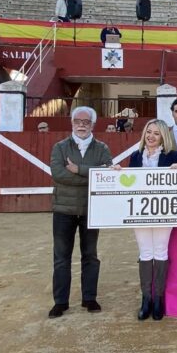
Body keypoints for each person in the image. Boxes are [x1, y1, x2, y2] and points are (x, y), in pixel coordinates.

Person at [48, 107, 113, 318]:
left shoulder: (102, 148)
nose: (82, 124)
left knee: (90, 256)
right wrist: (91, 175)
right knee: (61, 257)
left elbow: (106, 176)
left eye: (86, 121)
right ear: (72, 123)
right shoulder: (60, 147)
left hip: (90, 209)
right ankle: (61, 302)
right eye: (78, 121)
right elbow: (58, 175)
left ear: (93, 124)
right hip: (63, 210)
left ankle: (89, 298)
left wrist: (79, 169)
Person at [128, 119, 177, 321]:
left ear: (163, 137)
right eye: (148, 132)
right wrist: (118, 174)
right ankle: (146, 298)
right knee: (145, 252)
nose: (151, 136)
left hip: (163, 211)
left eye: (156, 133)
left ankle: (158, 298)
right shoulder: (135, 157)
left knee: (160, 251)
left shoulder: (173, 157)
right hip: (139, 212)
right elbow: (127, 184)